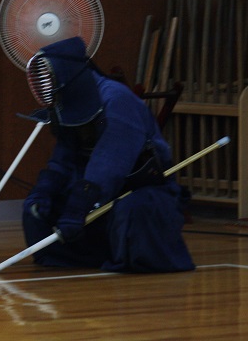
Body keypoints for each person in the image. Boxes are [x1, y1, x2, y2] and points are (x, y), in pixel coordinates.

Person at [22, 37, 195, 273]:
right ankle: (94, 254)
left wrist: (78, 208)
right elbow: (63, 158)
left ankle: (127, 253)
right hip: (95, 192)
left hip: (140, 189)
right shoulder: (69, 104)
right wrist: (43, 192)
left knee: (133, 210)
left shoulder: (116, 99)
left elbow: (109, 164)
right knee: (40, 212)